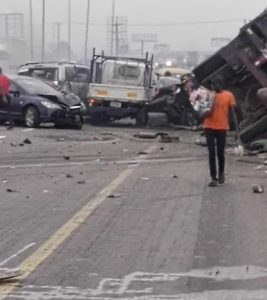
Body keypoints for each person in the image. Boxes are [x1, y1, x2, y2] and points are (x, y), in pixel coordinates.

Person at [203, 79, 237, 187]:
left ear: (222, 85)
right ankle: (213, 177)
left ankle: (221, 172)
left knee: (220, 153)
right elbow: (202, 109)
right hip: (209, 126)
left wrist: (235, 127)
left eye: (218, 84)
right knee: (212, 152)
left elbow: (232, 112)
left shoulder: (228, 95)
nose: (216, 86)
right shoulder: (209, 96)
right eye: (214, 84)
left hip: (222, 127)